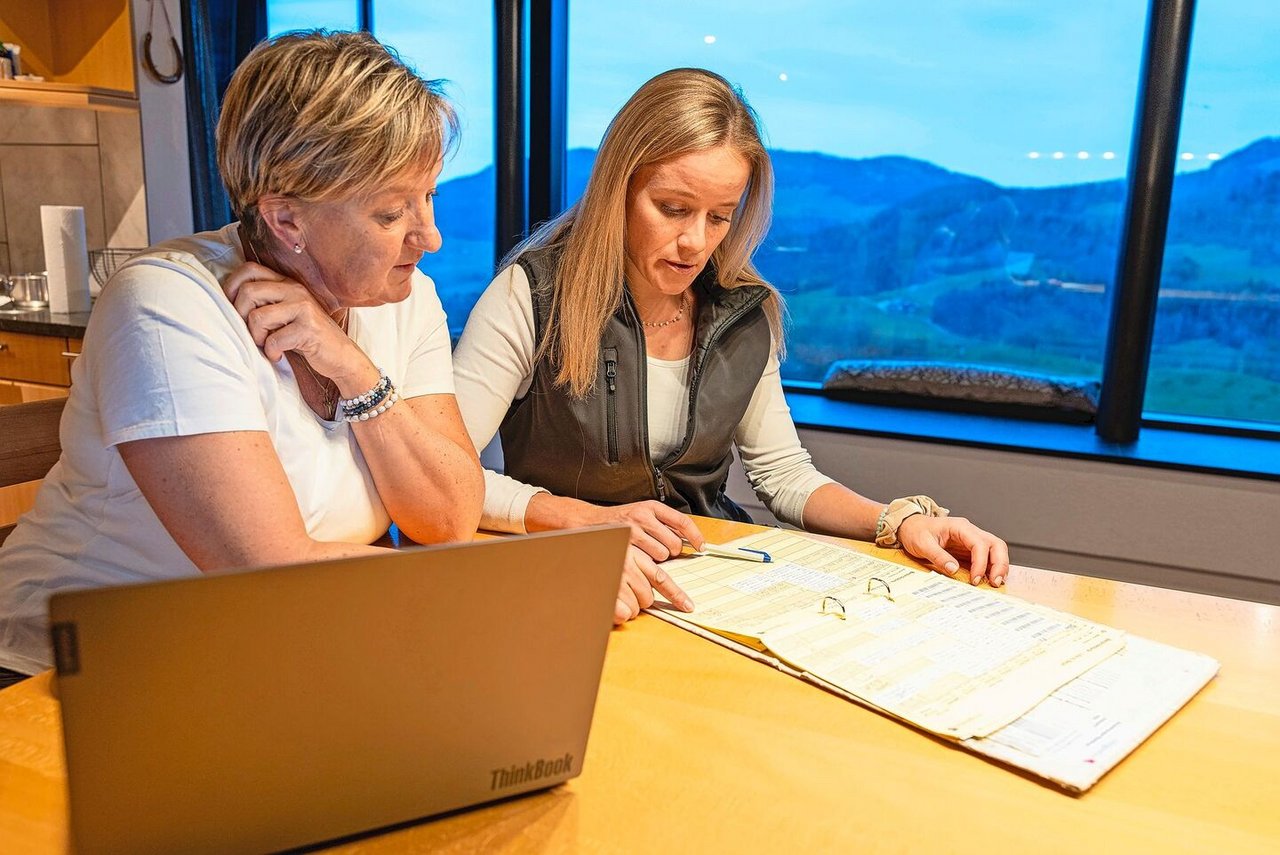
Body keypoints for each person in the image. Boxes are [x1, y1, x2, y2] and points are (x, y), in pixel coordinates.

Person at [0, 31, 484, 684]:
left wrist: (352, 367)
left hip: (256, 653)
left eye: (430, 197)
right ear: (286, 221)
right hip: (68, 675)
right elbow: (267, 572)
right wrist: (487, 598)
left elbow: (449, 517)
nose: (430, 237)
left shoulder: (403, 296)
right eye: (391, 213)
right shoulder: (167, 303)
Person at [453, 68, 1009, 625]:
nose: (695, 242)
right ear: (617, 189)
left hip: (707, 577)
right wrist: (578, 520)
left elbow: (784, 475)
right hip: (579, 578)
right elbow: (447, 478)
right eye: (672, 209)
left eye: (719, 216)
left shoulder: (742, 311)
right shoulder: (532, 296)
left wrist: (899, 521)